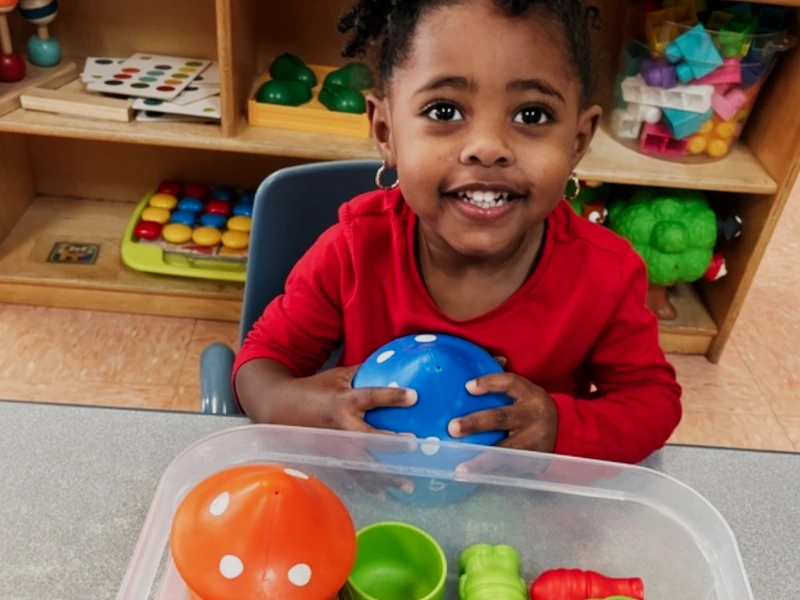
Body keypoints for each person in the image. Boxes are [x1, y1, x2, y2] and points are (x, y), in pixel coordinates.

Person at [234, 0, 682, 465]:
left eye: (532, 115)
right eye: (444, 110)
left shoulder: (605, 274)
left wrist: (558, 427)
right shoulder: (353, 249)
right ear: (386, 132)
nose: (487, 148)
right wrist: (315, 409)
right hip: (374, 500)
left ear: (577, 142)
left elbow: (652, 404)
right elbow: (260, 367)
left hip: (525, 508)